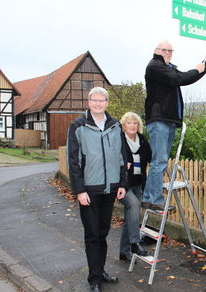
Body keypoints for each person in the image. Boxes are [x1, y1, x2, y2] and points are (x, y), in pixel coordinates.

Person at [67, 87, 127, 292]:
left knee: (103, 232)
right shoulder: (78, 126)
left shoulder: (115, 125)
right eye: (95, 100)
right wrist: (79, 190)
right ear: (89, 101)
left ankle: (100, 271)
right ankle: (94, 279)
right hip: (89, 191)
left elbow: (122, 157)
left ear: (107, 102)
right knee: (92, 235)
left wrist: (122, 184)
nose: (98, 103)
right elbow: (73, 161)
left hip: (110, 188)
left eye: (102, 100)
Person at [142, 40, 206, 211]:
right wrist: (199, 69)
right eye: (164, 50)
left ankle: (149, 198)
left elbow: (185, 77)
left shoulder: (168, 67)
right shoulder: (155, 66)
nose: (168, 53)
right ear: (156, 51)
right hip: (159, 120)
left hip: (168, 120)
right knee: (159, 161)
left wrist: (204, 66)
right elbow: (179, 79)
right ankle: (155, 199)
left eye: (170, 50)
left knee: (159, 161)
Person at [118, 112, 151, 261]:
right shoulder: (119, 140)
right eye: (129, 123)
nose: (132, 126)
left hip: (138, 183)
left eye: (135, 123)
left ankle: (124, 252)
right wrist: (122, 164)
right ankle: (135, 242)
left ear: (138, 126)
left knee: (130, 216)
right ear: (123, 126)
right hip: (122, 184)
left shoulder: (143, 141)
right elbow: (112, 158)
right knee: (133, 204)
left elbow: (151, 157)